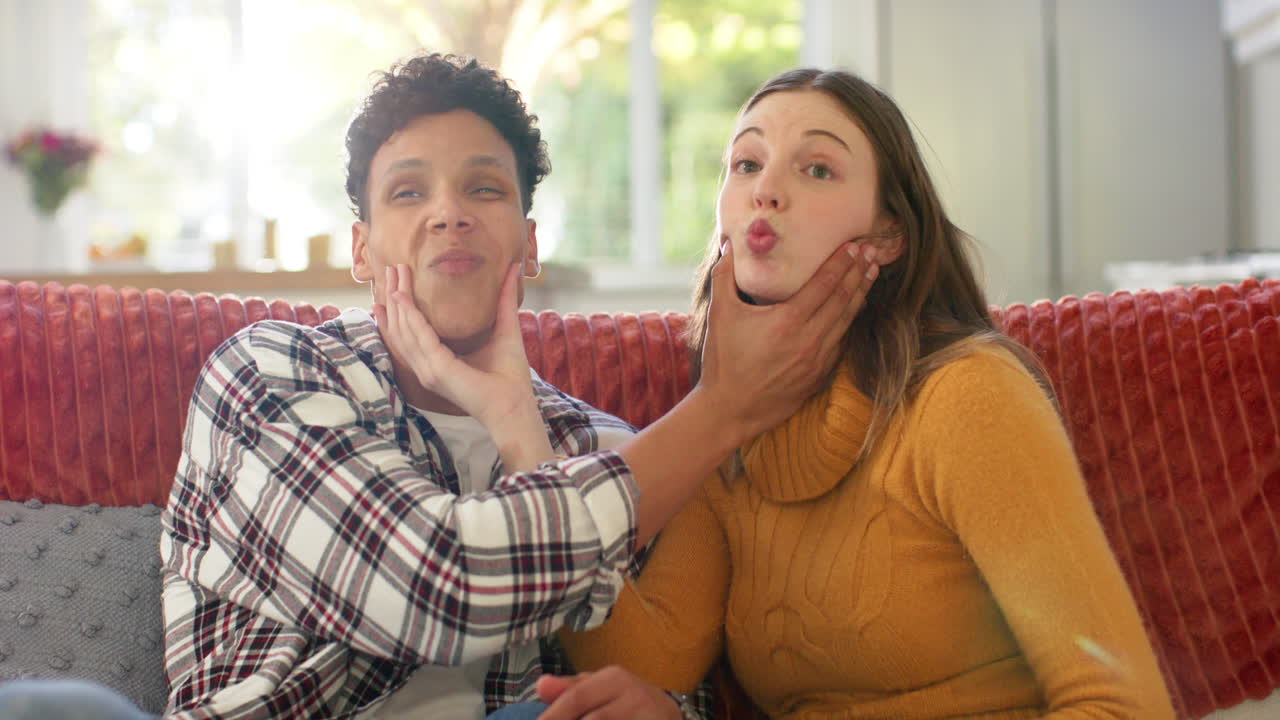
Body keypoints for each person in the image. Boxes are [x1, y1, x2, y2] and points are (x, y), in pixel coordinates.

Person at [153, 54, 877, 720]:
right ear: (362, 250)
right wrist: (720, 409)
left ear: (529, 245)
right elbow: (432, 588)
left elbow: (672, 673)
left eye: (484, 187)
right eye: (408, 192)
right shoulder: (268, 373)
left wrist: (666, 712)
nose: (449, 213)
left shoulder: (600, 446)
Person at [538, 68, 1177, 719]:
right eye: (746, 162)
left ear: (889, 235)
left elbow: (1122, 703)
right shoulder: (731, 428)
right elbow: (653, 662)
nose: (766, 191)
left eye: (816, 169)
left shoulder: (966, 396)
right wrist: (521, 436)